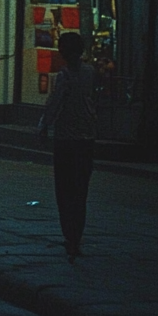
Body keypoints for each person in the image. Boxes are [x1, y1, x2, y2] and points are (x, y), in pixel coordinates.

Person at [38, 32, 97, 261]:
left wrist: (43, 126)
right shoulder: (90, 73)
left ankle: (69, 237)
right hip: (86, 139)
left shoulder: (64, 76)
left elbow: (55, 104)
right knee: (80, 191)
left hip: (66, 140)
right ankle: (76, 237)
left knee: (65, 191)